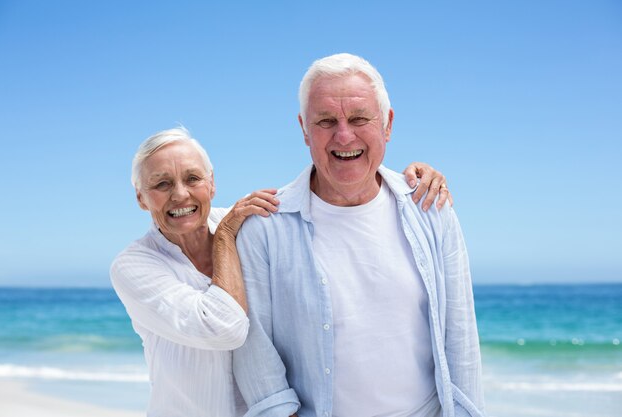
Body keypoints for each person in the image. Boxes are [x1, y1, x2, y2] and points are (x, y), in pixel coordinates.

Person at [111, 127, 452, 417]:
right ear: (141, 198)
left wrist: (408, 181)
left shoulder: (249, 223)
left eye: (192, 178)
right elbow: (224, 327)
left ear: (211, 184)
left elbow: (321, 206)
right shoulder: (135, 266)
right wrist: (226, 237)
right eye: (162, 184)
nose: (180, 194)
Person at [233, 53, 485, 417]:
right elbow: (254, 346)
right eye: (326, 121)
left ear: (387, 124)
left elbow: (460, 335)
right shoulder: (264, 226)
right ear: (304, 129)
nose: (344, 135)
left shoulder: (431, 208)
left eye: (359, 118)